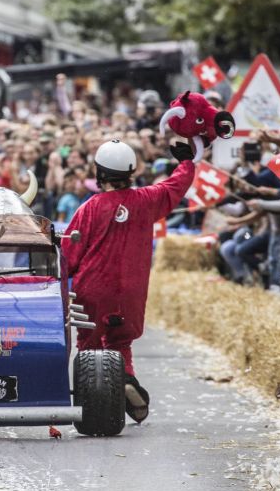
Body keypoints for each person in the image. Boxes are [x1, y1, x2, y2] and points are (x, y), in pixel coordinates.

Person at [63, 139, 196, 423]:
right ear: (130, 172)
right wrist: (186, 162)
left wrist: (57, 279)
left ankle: (94, 407)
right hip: (132, 292)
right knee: (121, 343)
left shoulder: (88, 209)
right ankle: (126, 379)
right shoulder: (147, 200)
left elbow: (69, 256)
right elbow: (175, 187)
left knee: (89, 347)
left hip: (94, 289)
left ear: (99, 173)